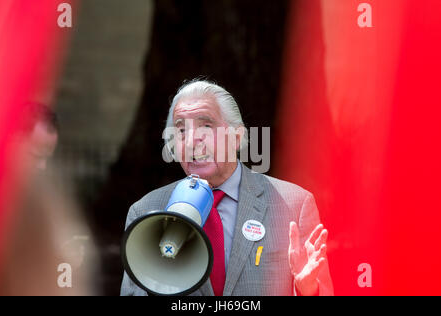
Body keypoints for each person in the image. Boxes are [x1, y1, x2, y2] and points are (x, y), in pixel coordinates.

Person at [121, 80, 333, 296]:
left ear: (237, 137)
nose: (192, 140)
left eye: (206, 125)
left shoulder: (293, 204)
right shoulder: (146, 211)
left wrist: (307, 290)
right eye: (182, 129)